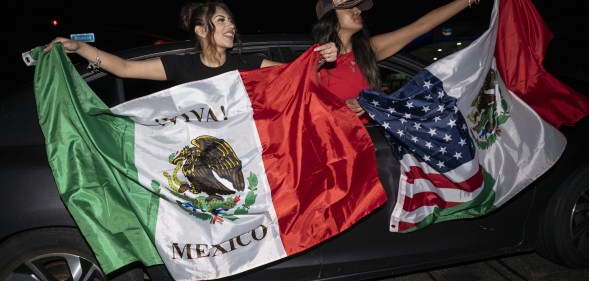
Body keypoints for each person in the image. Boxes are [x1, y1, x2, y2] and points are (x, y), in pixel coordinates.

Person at [43, 1, 338, 84]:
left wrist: (321, 58)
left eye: (231, 20)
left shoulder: (249, 63)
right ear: (200, 30)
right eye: (221, 20)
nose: (231, 25)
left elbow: (296, 74)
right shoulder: (182, 66)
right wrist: (80, 47)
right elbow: (123, 68)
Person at [312, 0, 481, 121]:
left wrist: (467, 1)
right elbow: (297, 99)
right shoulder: (314, 63)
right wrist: (339, 110)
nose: (358, 10)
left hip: (374, 142)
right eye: (349, 7)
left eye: (357, 6)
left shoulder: (368, 50)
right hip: (336, 151)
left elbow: (421, 26)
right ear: (331, 18)